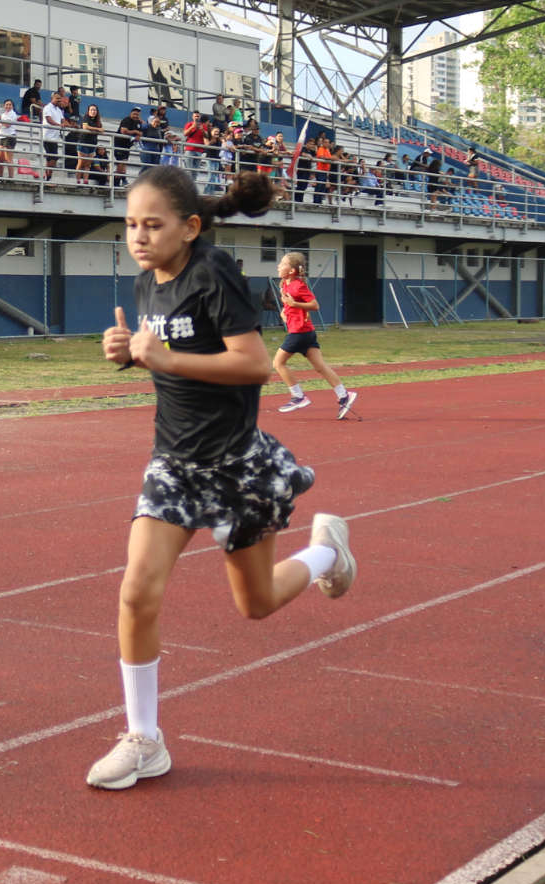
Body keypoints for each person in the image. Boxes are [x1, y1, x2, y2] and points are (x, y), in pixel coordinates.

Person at [89, 165, 357, 790]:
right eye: (131, 224)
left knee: (256, 604)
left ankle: (324, 553)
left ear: (190, 226)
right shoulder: (146, 281)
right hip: (174, 462)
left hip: (238, 463)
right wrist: (128, 354)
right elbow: (163, 361)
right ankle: (144, 739)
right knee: (136, 591)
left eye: (153, 225)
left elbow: (256, 366)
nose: (139, 236)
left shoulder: (213, 275)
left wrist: (164, 356)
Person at [272, 252, 356, 418]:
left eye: (283, 264)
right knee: (320, 367)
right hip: (307, 332)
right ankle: (344, 395)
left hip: (299, 333)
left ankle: (298, 396)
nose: (278, 266)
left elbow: (314, 305)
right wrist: (285, 311)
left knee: (278, 363)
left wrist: (293, 304)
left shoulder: (298, 285)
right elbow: (290, 304)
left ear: (291, 271)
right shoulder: (284, 284)